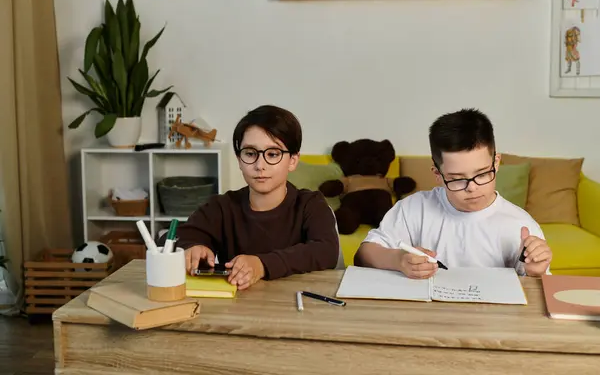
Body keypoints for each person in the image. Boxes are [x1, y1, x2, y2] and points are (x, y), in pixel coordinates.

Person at [354, 108, 552, 279]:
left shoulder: (521, 225)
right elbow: (364, 254)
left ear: (497, 162)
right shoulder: (413, 209)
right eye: (457, 178)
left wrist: (536, 272)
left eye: (482, 174)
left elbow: (534, 294)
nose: (472, 187)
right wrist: (398, 260)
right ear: (437, 174)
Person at [160, 105, 340, 290]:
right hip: (237, 310)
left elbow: (326, 251)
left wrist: (261, 265)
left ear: (292, 160)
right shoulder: (221, 207)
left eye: (272, 154)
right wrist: (191, 248)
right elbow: (171, 239)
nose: (260, 165)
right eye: (250, 153)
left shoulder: (310, 205)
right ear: (239, 160)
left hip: (296, 307)